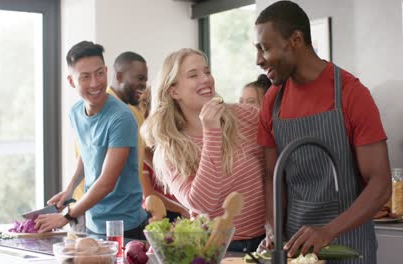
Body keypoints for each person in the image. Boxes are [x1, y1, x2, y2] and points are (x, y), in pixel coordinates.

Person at [254, 1, 391, 263]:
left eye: (265, 48)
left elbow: (381, 185)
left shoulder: (351, 94)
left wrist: (328, 231)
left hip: (350, 245)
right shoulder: (272, 102)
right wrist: (272, 230)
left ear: (295, 39)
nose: (259, 60)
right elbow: (273, 176)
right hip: (294, 251)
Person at [142, 48, 266, 252]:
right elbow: (202, 203)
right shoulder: (170, 149)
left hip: (266, 242)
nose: (206, 79)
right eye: (193, 75)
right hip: (214, 248)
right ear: (174, 91)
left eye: (207, 72)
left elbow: (275, 171)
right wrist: (212, 131)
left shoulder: (246, 116)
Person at [34, 41, 148, 239]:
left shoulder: (121, 118)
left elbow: (107, 183)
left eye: (99, 73)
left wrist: (66, 216)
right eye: (85, 77)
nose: (95, 83)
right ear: (71, 81)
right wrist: (69, 189)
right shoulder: (76, 112)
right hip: (94, 222)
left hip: (125, 227)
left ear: (106, 71)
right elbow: (89, 153)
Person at [139, 85, 190, 221]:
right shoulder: (144, 150)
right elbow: (149, 194)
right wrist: (182, 208)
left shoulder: (176, 143)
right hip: (159, 215)